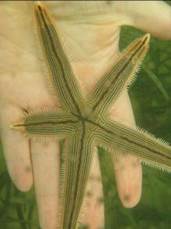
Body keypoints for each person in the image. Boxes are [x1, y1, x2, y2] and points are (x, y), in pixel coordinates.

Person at [0, 1, 171, 228]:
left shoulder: (75, 98)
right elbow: (58, 64)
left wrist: (26, 126)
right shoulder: (83, 99)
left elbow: (61, 68)